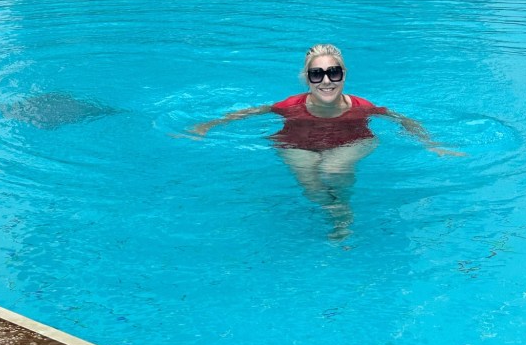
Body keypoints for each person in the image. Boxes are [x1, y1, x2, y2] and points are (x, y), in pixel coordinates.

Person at [191, 44, 461, 241]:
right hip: (297, 143)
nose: (326, 80)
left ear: (344, 74)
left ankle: (343, 213)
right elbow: (253, 111)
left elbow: (403, 120)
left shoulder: (362, 107)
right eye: (317, 74)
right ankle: (339, 210)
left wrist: (431, 145)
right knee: (311, 185)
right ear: (307, 79)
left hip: (352, 141)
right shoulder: (290, 106)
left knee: (333, 167)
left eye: (333, 72)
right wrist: (207, 126)